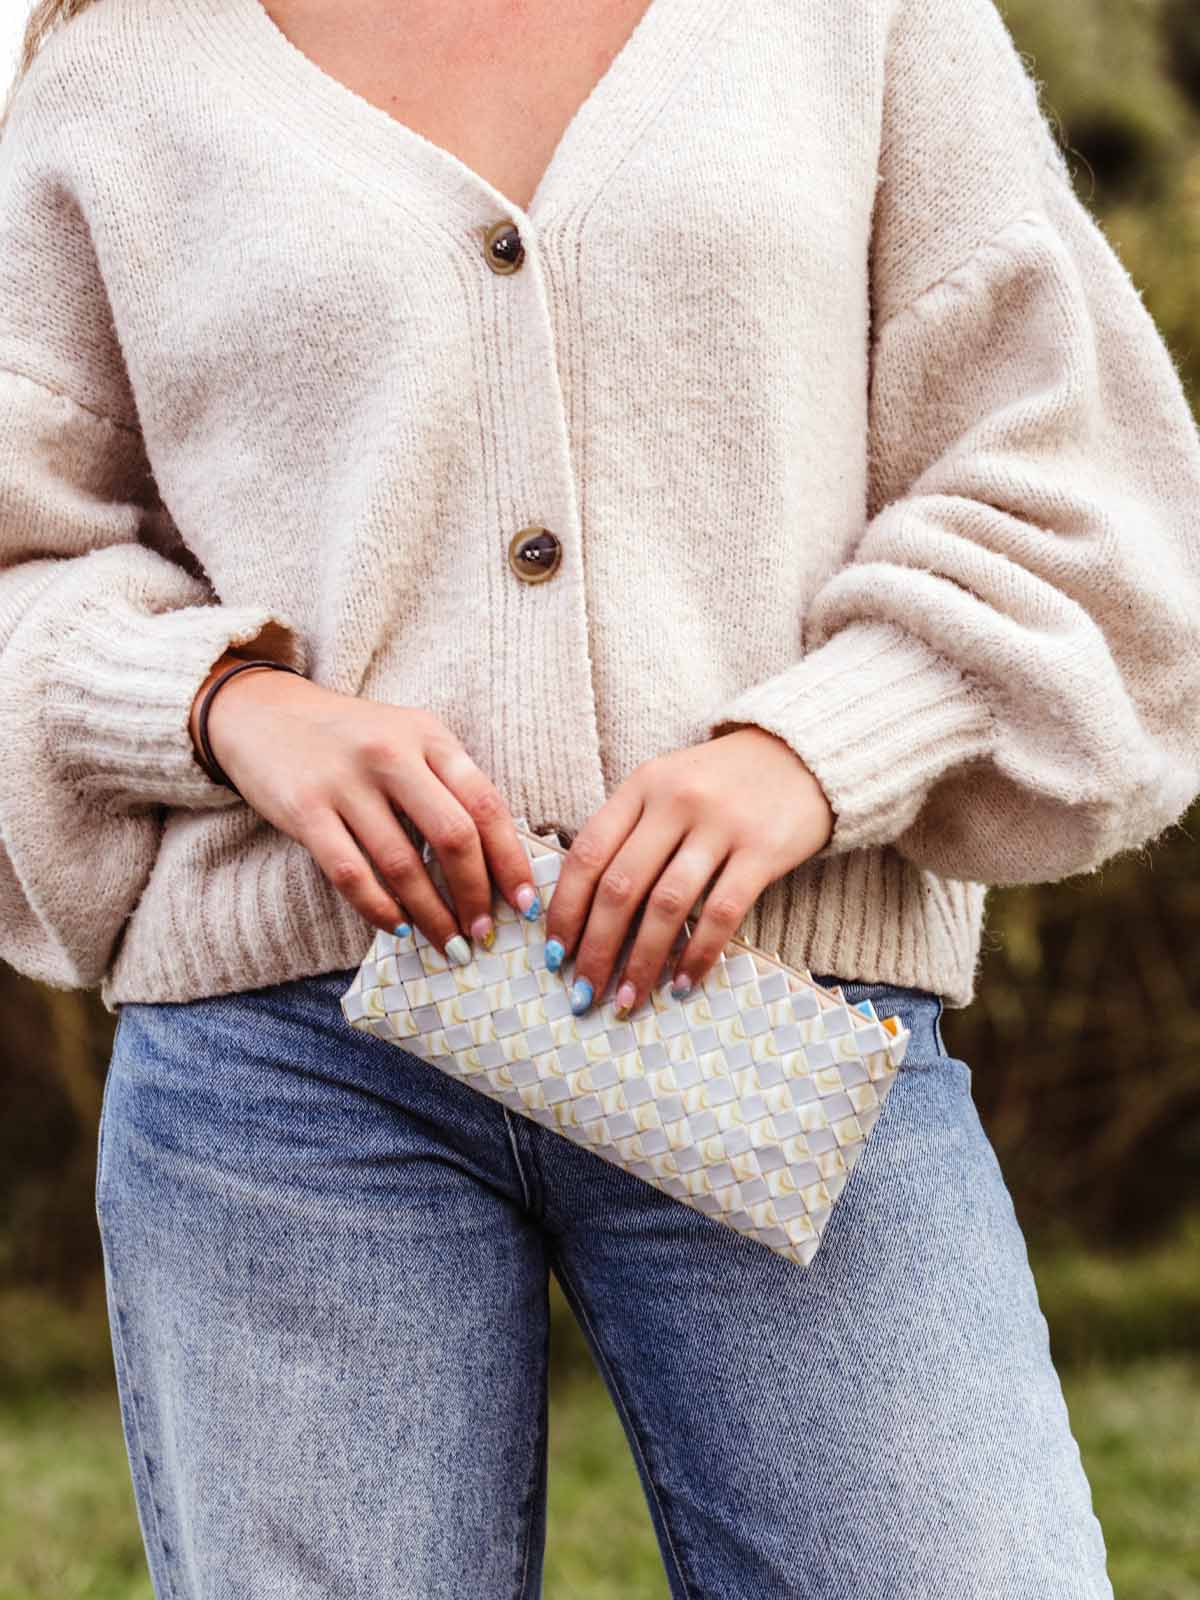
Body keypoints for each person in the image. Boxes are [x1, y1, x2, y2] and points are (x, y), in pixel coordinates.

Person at [2, 0, 1198, 1591]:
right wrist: (224, 704)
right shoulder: (120, 68)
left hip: (777, 1017)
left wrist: (816, 749)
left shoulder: (859, 22)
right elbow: (27, 549)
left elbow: (1085, 481)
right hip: (283, 1068)